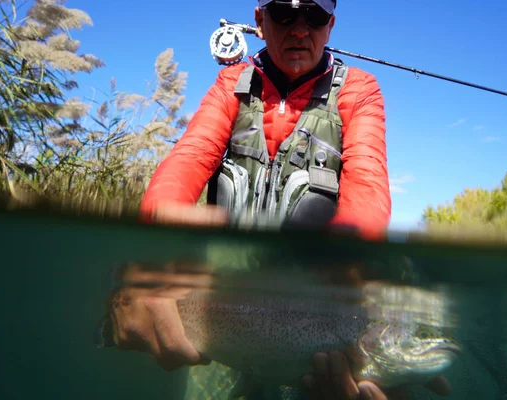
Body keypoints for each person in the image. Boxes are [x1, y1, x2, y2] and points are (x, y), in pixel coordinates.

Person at [110, 1, 452, 399]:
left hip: (317, 306)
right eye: (285, 15)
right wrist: (145, 274)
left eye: (315, 16)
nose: (300, 30)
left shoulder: (359, 89)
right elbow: (187, 160)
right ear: (260, 20)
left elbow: (368, 187)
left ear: (331, 25)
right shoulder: (231, 84)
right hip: (219, 309)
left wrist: (349, 275)